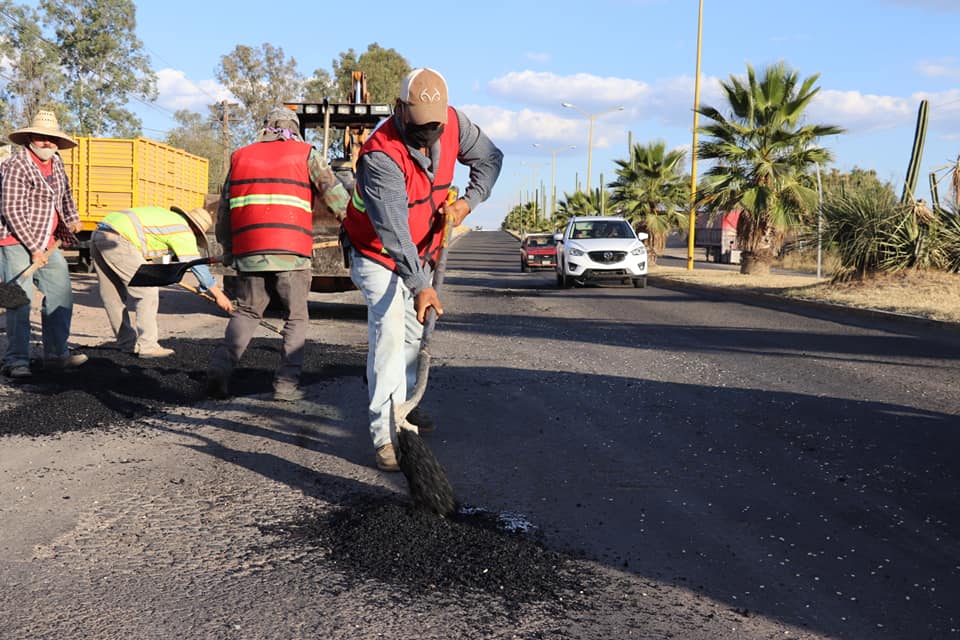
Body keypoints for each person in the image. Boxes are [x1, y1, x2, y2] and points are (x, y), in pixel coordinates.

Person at [342, 67, 503, 471]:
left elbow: (490, 158)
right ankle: (385, 436)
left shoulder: (455, 123)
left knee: (415, 334)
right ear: (399, 110)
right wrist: (419, 284)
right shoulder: (381, 154)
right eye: (420, 129)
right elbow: (393, 231)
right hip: (377, 251)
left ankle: (405, 409)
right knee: (391, 334)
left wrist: (469, 201)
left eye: (436, 127)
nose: (429, 137)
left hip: (423, 250)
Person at [205, 106, 349, 402]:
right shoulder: (306, 153)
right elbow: (336, 196)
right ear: (294, 129)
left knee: (247, 311)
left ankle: (219, 372)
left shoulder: (240, 156)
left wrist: (229, 249)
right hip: (291, 251)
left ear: (266, 127)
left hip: (250, 250)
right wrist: (356, 225)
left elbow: (224, 210)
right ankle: (285, 385)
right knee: (296, 316)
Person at [0, 109, 87, 379]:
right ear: (30, 138)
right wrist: (33, 249)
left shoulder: (57, 163)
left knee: (61, 294)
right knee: (18, 301)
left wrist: (73, 219)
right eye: (42, 138)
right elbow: (11, 209)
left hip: (47, 242)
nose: (47, 143)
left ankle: (56, 354)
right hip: (15, 240)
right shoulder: (15, 165)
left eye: (51, 139)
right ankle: (16, 360)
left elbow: (65, 196)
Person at [90, 205, 233, 357]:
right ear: (196, 229)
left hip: (99, 234)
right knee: (147, 290)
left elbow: (144, 237)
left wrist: (203, 288)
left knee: (112, 296)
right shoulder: (183, 230)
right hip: (119, 239)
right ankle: (148, 345)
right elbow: (196, 264)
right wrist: (218, 294)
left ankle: (127, 343)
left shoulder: (168, 219)